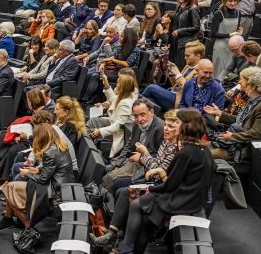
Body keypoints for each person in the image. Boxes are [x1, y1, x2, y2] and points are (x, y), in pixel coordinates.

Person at [91, 108, 214, 254]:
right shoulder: (203, 148)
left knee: (137, 206)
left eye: (177, 123)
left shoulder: (186, 152)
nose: (172, 126)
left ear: (187, 126)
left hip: (181, 201)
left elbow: (169, 184)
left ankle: (124, 247)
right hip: (190, 198)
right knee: (130, 196)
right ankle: (119, 242)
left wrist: (152, 188)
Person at [5, 121, 76, 253]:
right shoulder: (58, 147)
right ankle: (21, 222)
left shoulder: (50, 152)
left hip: (54, 194)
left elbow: (43, 179)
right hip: (63, 187)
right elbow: (47, 169)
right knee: (10, 188)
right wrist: (34, 169)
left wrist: (28, 173)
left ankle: (29, 227)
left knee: (9, 188)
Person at [204, 66, 261, 161]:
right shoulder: (255, 100)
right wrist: (219, 113)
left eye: (241, 80)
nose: (239, 82)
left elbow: (256, 134)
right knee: (200, 148)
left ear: (253, 85)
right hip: (237, 143)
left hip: (244, 149)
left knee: (204, 154)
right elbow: (241, 120)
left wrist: (232, 137)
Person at [101, 100, 165, 188]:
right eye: (136, 116)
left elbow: (161, 157)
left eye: (143, 115)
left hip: (144, 166)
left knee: (110, 177)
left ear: (152, 112)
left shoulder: (161, 129)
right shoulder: (136, 124)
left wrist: (142, 157)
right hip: (131, 159)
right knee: (104, 169)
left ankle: (102, 199)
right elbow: (128, 145)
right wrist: (117, 164)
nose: (139, 119)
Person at [141, 41, 204, 113]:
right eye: (185, 55)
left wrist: (178, 74)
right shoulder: (187, 67)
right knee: (150, 100)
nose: (185, 58)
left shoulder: (200, 71)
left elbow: (188, 89)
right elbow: (176, 85)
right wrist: (172, 74)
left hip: (179, 101)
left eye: (188, 56)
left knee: (151, 88)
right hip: (173, 93)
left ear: (198, 56)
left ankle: (136, 109)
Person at [88, 71, 139, 158]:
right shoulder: (122, 96)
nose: (116, 84)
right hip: (112, 123)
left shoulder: (126, 103)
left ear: (123, 86)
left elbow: (117, 127)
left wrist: (100, 131)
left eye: (118, 82)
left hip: (117, 134)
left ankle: (86, 148)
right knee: (93, 121)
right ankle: (86, 144)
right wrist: (106, 84)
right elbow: (112, 99)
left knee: (91, 126)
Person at [208, 0, 245, 80]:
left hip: (233, 48)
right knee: (219, 73)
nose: (233, 3)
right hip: (221, 47)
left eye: (235, 1)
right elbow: (213, 33)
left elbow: (236, 30)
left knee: (231, 74)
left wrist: (239, 33)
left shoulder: (238, 13)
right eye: (230, 1)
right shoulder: (218, 13)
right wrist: (229, 35)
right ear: (224, 0)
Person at [173, 0, 202, 64]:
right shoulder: (179, 6)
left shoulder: (193, 9)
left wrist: (179, 31)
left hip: (186, 44)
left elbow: (196, 27)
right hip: (176, 42)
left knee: (182, 67)